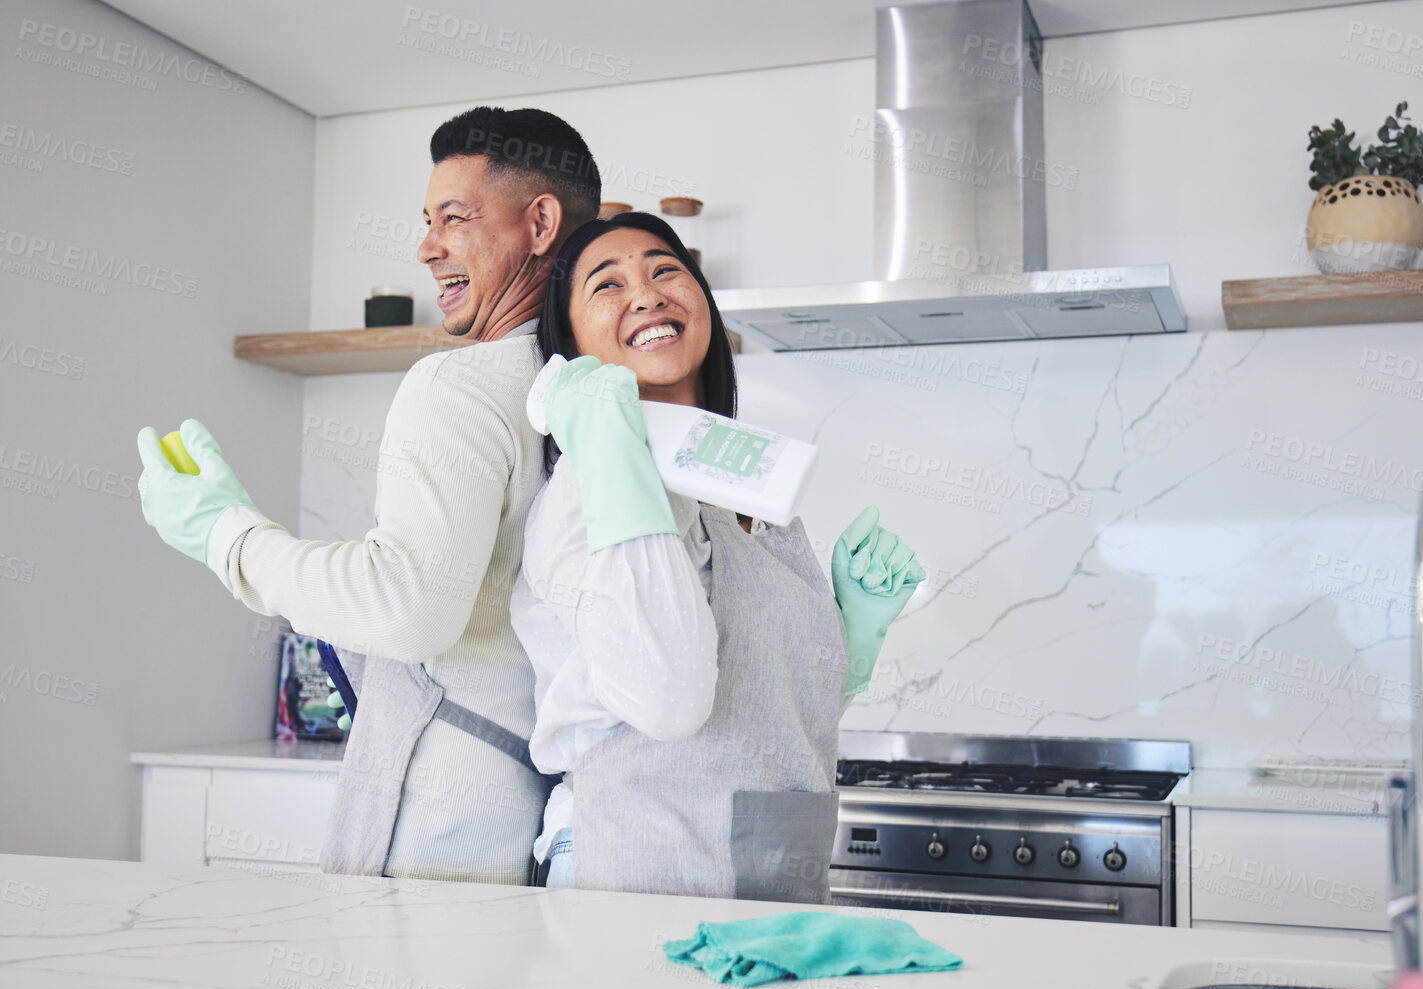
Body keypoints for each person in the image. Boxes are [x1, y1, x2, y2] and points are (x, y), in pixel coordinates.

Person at [135, 107, 601, 885]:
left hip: (441, 803)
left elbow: (406, 603)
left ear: (540, 222)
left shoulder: (459, 385)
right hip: (534, 806)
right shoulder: (596, 396)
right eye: (426, 222)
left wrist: (227, 535)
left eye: (453, 218)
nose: (426, 247)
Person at [513, 212, 924, 900]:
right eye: (606, 285)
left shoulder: (757, 496)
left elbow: (767, 714)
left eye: (664, 269)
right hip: (638, 880)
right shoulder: (587, 494)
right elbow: (667, 697)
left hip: (775, 881)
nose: (645, 293)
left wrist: (849, 639)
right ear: (573, 345)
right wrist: (609, 447)